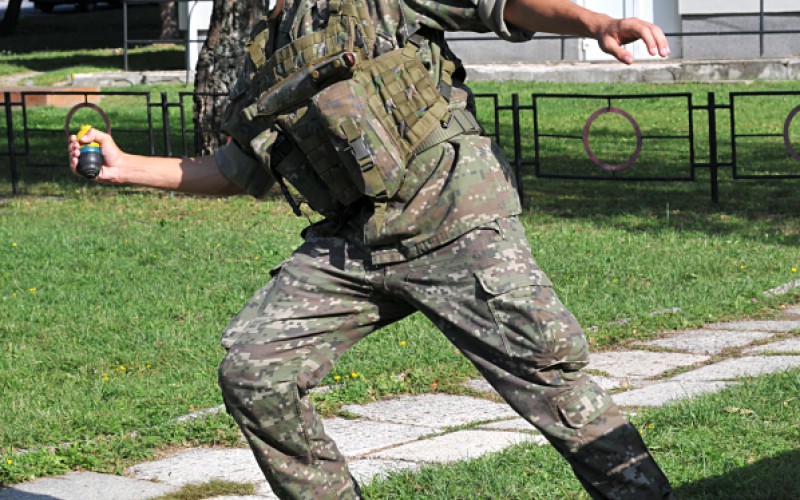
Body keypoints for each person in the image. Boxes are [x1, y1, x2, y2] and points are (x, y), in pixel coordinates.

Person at [69, 0, 673, 498]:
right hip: (355, 240)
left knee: (549, 378)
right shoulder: (265, 49)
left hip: (452, 215)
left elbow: (503, 5)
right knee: (253, 371)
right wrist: (124, 167)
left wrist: (597, 23)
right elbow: (235, 168)